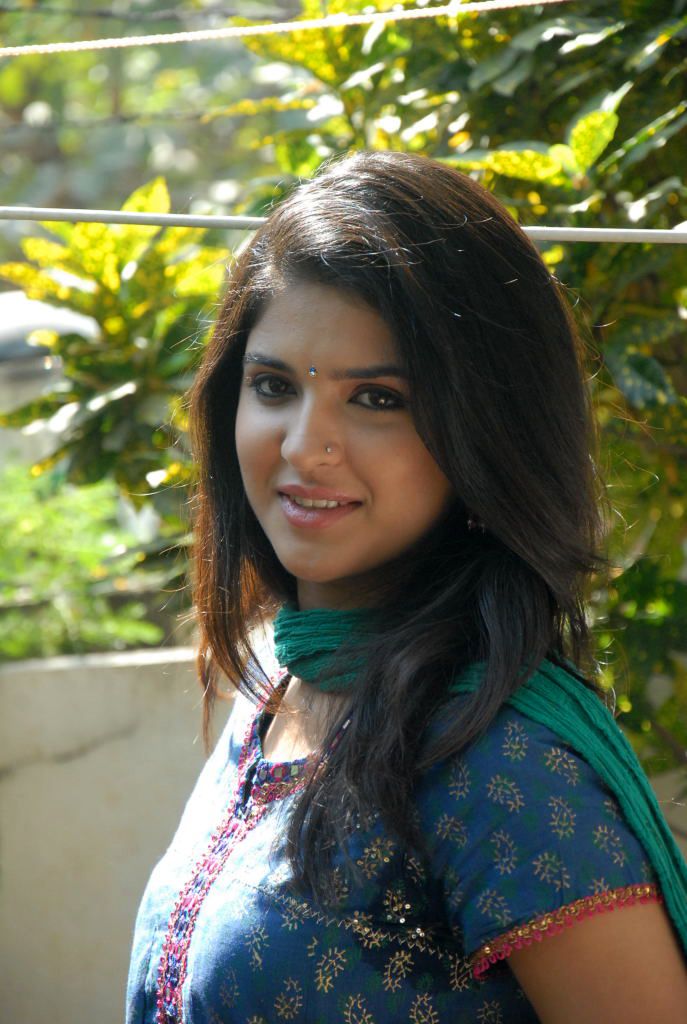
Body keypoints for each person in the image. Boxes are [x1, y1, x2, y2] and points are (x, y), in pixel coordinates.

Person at [126, 151, 687, 1024]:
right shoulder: (279, 691)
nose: (303, 446)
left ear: (484, 433)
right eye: (272, 386)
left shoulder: (499, 767)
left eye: (378, 399)